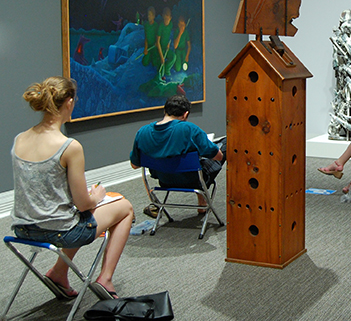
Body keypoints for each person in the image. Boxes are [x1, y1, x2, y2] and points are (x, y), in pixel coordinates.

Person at [11, 76, 134, 299]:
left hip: (22, 228)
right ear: (69, 102)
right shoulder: (70, 147)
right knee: (125, 208)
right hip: (62, 232)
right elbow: (83, 204)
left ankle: (59, 272)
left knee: (78, 214)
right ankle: (105, 279)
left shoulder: (19, 139)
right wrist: (97, 195)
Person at [130, 94, 224, 216]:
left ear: (165, 111)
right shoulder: (190, 129)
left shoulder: (142, 132)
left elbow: (134, 165)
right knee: (224, 145)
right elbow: (218, 157)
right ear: (185, 114)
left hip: (164, 180)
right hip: (193, 180)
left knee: (192, 159)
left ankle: (202, 201)